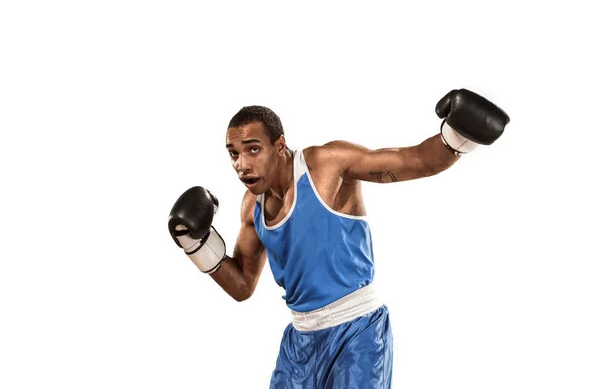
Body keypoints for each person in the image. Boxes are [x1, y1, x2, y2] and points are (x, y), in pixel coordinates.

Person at [168, 88, 510, 388]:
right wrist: (198, 248)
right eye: (233, 153)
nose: (241, 164)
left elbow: (415, 161)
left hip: (357, 333)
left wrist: (455, 135)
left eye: (253, 149)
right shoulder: (251, 208)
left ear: (280, 145)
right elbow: (242, 285)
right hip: (299, 343)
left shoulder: (326, 165)